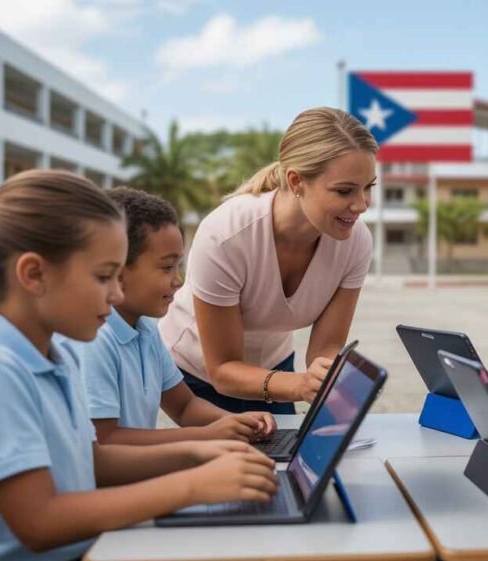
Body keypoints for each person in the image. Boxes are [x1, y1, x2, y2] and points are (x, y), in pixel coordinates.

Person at [0, 170, 276, 561]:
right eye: (104, 277)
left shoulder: (50, 354)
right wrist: (190, 486)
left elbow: (91, 461)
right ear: (33, 275)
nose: (116, 293)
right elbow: (40, 522)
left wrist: (197, 453)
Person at [160, 107, 378, 414]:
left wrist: (327, 380)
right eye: (345, 190)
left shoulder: (355, 240)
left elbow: (326, 350)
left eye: (369, 187)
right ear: (296, 181)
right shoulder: (226, 236)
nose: (362, 205)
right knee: (238, 460)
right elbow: (223, 369)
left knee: (286, 458)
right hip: (199, 375)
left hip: (275, 364)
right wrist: (301, 385)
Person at [77, 186, 276, 445]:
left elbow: (185, 406)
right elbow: (105, 441)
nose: (178, 281)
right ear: (118, 270)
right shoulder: (95, 340)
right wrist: (206, 437)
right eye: (167, 267)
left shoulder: (146, 330)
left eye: (178, 266)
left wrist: (236, 422)